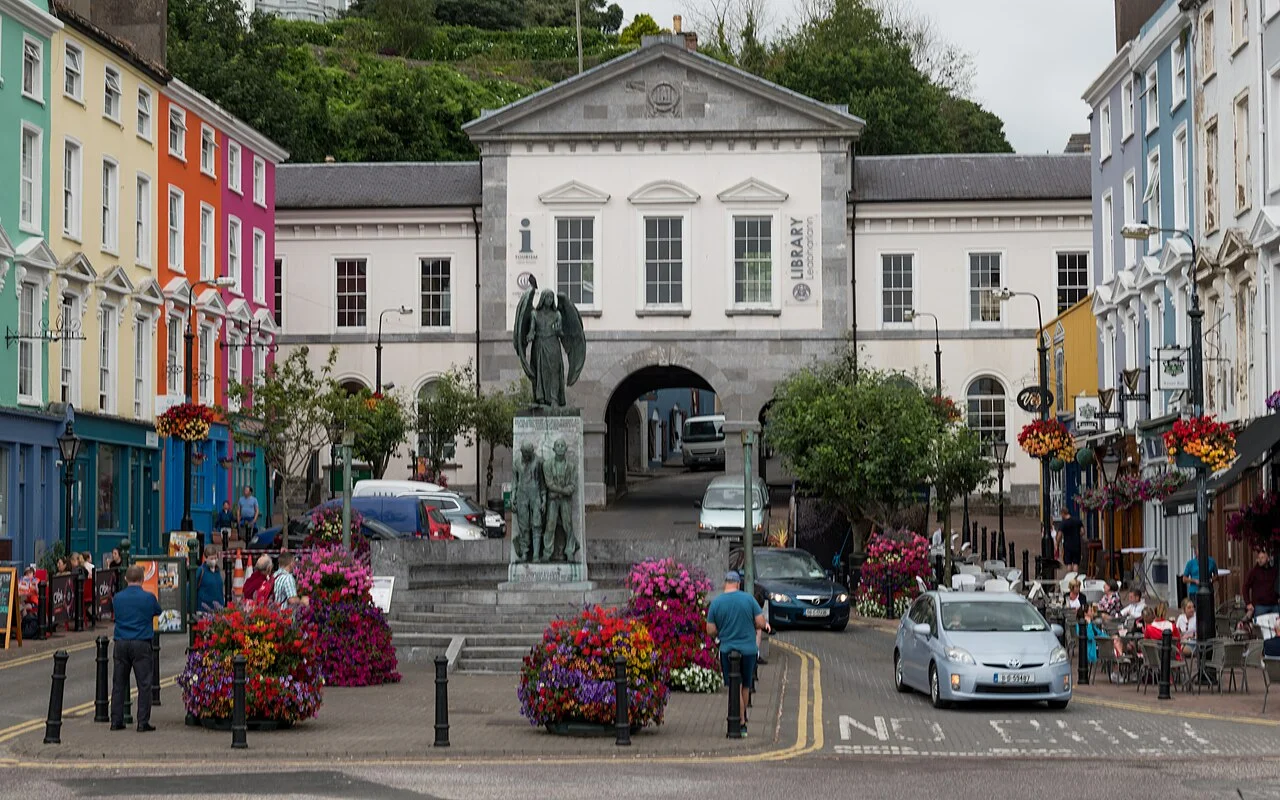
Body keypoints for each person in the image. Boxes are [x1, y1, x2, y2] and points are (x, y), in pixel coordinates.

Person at [706, 571, 770, 737]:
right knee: (745, 686)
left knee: (735, 686)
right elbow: (761, 622)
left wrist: (721, 631)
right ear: (738, 584)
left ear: (725, 584)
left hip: (727, 650)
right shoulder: (748, 599)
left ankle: (740, 722)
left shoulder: (716, 602)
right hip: (749, 650)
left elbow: (710, 630)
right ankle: (742, 720)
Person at [110, 564, 161, 732]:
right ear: (142, 579)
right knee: (144, 684)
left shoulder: (118, 598)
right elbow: (157, 611)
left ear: (126, 579)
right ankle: (142, 722)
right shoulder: (148, 597)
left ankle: (116, 721)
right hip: (141, 641)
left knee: (119, 683)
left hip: (121, 642)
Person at [1244, 550, 1280, 619]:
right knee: (1260, 625)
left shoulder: (1273, 571)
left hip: (1274, 605)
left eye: (1262, 557)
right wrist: (1248, 603)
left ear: (1268, 559)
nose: (1260, 560)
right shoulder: (1254, 572)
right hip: (1260, 606)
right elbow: (1245, 587)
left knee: (1276, 624)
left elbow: (1276, 585)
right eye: (1259, 558)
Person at [195, 546, 225, 612]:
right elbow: (193, 588)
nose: (214, 560)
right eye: (211, 558)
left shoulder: (217, 570)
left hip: (218, 609)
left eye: (215, 558)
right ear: (206, 558)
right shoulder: (201, 570)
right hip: (204, 610)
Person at [1054, 508, 1083, 574]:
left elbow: (1059, 535)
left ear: (1063, 513)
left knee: (1069, 563)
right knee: (1076, 563)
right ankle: (1075, 577)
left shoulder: (1063, 523)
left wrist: (1057, 543)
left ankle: (1070, 577)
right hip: (1077, 544)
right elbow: (1082, 531)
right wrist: (1077, 535)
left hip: (1067, 545)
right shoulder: (1077, 520)